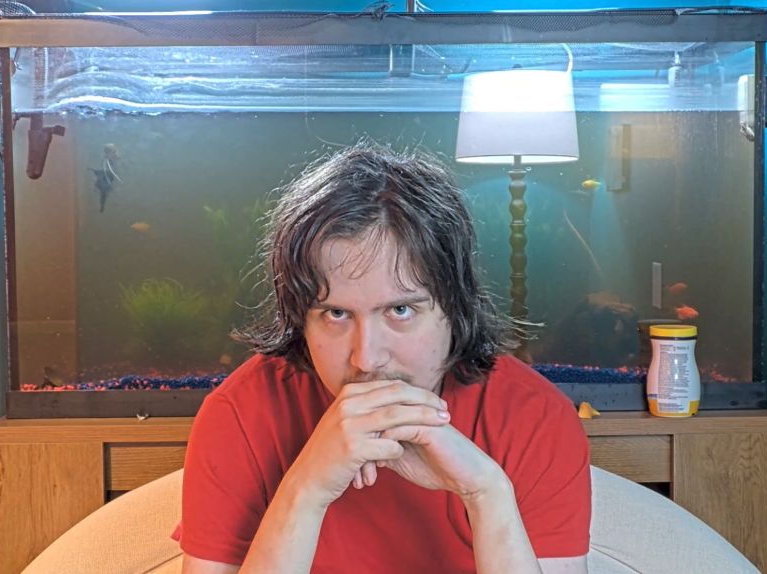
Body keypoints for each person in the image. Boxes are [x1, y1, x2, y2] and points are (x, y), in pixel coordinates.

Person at [175, 144, 591, 574]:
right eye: (335, 314)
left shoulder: (535, 419)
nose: (367, 359)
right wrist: (306, 489)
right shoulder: (240, 415)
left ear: (455, 306)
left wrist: (486, 492)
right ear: (301, 318)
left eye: (400, 310)